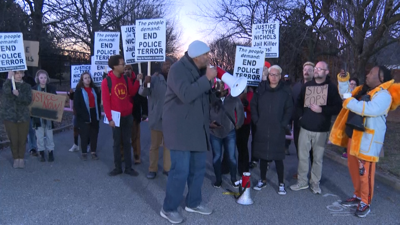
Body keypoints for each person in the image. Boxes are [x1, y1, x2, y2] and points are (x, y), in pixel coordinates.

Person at [160, 40, 217, 224]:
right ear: (196, 56)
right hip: (179, 129)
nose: (208, 58)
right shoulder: (177, 70)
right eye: (206, 55)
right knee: (180, 171)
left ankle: (193, 202)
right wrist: (206, 79)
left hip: (196, 128)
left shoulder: (199, 71)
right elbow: (186, 94)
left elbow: (201, 100)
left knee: (198, 168)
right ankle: (168, 208)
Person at [331, 66, 399, 218]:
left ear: (381, 78)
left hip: (367, 141)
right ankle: (357, 195)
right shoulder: (363, 90)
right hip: (354, 137)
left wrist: (349, 101)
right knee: (354, 169)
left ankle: (365, 202)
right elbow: (345, 94)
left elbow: (371, 109)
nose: (367, 75)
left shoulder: (384, 95)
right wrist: (344, 81)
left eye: (371, 73)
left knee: (365, 173)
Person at [290, 61, 342, 194]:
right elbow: (298, 104)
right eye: (316, 68)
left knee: (317, 159)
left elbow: (338, 107)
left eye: (320, 69)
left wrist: (322, 110)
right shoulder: (307, 86)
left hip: (321, 129)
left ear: (326, 72)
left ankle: (315, 183)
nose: (317, 70)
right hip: (305, 128)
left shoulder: (331, 88)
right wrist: (301, 118)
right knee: (302, 157)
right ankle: (302, 182)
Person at [251, 65, 293, 194]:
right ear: (268, 76)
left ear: (280, 76)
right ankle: (262, 180)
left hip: (277, 129)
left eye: (276, 75)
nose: (273, 77)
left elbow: (289, 109)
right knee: (263, 156)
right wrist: (256, 120)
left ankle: (281, 183)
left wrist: (283, 124)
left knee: (278, 157)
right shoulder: (261, 89)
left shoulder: (285, 91)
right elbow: (253, 105)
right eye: (271, 74)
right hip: (262, 127)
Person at [101, 55, 140, 176]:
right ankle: (118, 167)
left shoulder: (126, 78)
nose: (124, 66)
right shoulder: (106, 82)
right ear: (114, 66)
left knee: (127, 142)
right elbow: (106, 102)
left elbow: (132, 92)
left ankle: (128, 168)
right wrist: (110, 118)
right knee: (117, 143)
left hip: (127, 116)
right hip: (115, 118)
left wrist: (137, 80)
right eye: (122, 64)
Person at [138, 57, 174, 179]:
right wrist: (144, 83)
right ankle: (152, 169)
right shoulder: (153, 78)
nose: (168, 67)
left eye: (170, 65)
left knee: (168, 146)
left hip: (170, 119)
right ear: (161, 66)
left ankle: (167, 168)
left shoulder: (175, 79)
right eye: (166, 65)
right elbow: (142, 93)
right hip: (157, 117)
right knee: (154, 146)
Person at [209, 80, 244, 188]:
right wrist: (209, 123)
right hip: (214, 132)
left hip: (229, 131)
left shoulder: (234, 99)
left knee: (232, 157)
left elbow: (240, 112)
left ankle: (234, 179)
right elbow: (204, 112)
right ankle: (218, 180)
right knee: (216, 157)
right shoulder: (211, 99)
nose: (220, 88)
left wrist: (238, 124)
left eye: (222, 86)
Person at [0, 71, 32, 168]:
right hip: (10, 116)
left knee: (22, 139)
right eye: (16, 73)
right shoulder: (8, 84)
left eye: (20, 73)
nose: (18, 75)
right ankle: (15, 158)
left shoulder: (26, 86)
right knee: (13, 139)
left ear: (23, 74)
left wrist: (18, 95)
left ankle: (21, 158)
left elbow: (28, 100)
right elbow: (5, 93)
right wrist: (9, 79)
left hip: (23, 117)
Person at [291, 62, 315, 179]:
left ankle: (313, 173)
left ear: (314, 72)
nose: (306, 72)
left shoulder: (318, 87)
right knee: (299, 149)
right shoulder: (296, 87)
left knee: (312, 151)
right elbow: (292, 105)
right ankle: (302, 172)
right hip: (298, 125)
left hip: (312, 125)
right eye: (305, 69)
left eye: (309, 70)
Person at [120, 64, 148, 164]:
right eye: (125, 69)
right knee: (122, 137)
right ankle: (122, 155)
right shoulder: (120, 81)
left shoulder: (138, 82)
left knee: (135, 137)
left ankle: (136, 156)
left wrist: (144, 112)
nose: (127, 71)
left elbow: (143, 98)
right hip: (122, 114)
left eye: (129, 69)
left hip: (134, 114)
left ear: (132, 71)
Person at [73, 72, 101, 160]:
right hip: (83, 114)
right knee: (84, 134)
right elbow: (76, 105)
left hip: (94, 113)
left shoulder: (95, 89)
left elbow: (99, 101)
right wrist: (82, 115)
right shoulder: (78, 91)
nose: (87, 79)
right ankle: (84, 152)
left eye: (89, 77)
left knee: (94, 133)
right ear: (82, 80)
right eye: (85, 78)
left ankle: (93, 152)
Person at [32, 70, 57, 162]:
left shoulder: (51, 88)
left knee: (50, 136)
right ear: (38, 78)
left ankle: (50, 152)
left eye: (45, 78)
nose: (43, 80)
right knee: (39, 136)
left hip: (49, 116)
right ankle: (41, 153)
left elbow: (55, 101)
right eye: (41, 78)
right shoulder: (33, 89)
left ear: (47, 79)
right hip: (38, 117)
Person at [337, 71, 360, 159]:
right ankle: (345, 150)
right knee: (346, 132)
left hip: (355, 116)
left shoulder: (358, 94)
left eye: (354, 84)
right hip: (346, 115)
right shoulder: (347, 93)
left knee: (352, 133)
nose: (352, 85)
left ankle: (351, 151)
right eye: (351, 84)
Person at [236, 87, 253, 176]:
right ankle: (237, 167)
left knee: (243, 147)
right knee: (237, 146)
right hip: (236, 124)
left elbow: (252, 109)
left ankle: (244, 169)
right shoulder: (235, 92)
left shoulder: (250, 95)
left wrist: (246, 104)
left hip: (245, 123)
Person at [22, 71, 38, 156]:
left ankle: (32, 148)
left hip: (29, 107)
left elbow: (35, 90)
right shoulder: (13, 79)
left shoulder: (30, 79)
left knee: (31, 129)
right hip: (18, 109)